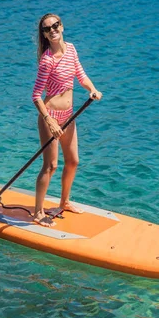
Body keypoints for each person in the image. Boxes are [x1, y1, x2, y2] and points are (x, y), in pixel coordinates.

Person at [31, 13, 102, 227]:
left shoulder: (71, 49)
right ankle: (37, 212)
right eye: (47, 28)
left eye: (55, 25)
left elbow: (81, 75)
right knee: (50, 165)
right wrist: (49, 121)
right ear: (43, 34)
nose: (52, 30)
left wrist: (92, 89)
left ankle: (64, 202)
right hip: (50, 117)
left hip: (68, 115)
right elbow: (36, 95)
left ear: (62, 26)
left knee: (73, 161)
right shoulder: (47, 60)